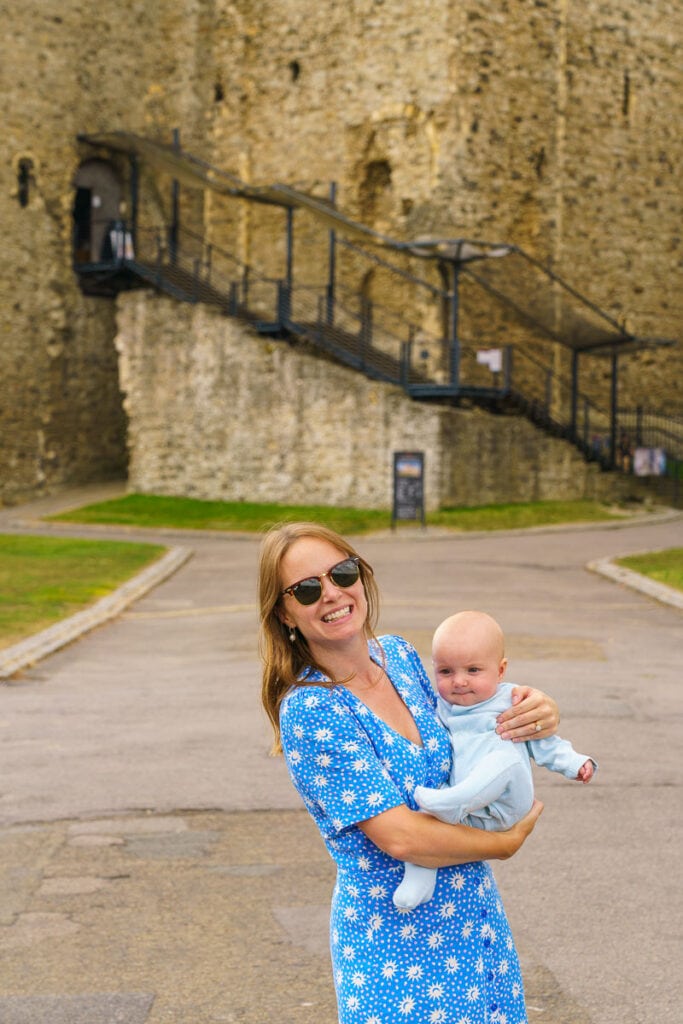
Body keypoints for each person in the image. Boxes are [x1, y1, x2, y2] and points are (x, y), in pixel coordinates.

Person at [258, 522, 560, 1024]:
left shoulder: (396, 655)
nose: (331, 593)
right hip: (396, 954)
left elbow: (472, 719)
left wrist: (538, 707)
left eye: (342, 572)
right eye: (306, 589)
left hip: (474, 923)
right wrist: (503, 844)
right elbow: (402, 838)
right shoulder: (312, 710)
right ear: (284, 613)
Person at [393, 610, 596, 910]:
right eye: (446, 672)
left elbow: (544, 741)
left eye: (473, 670)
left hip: (507, 801)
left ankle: (453, 801)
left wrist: (574, 762)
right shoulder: (442, 708)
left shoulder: (509, 701)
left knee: (503, 757)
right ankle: (419, 879)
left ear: (500, 670)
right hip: (470, 815)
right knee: (430, 827)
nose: (459, 681)